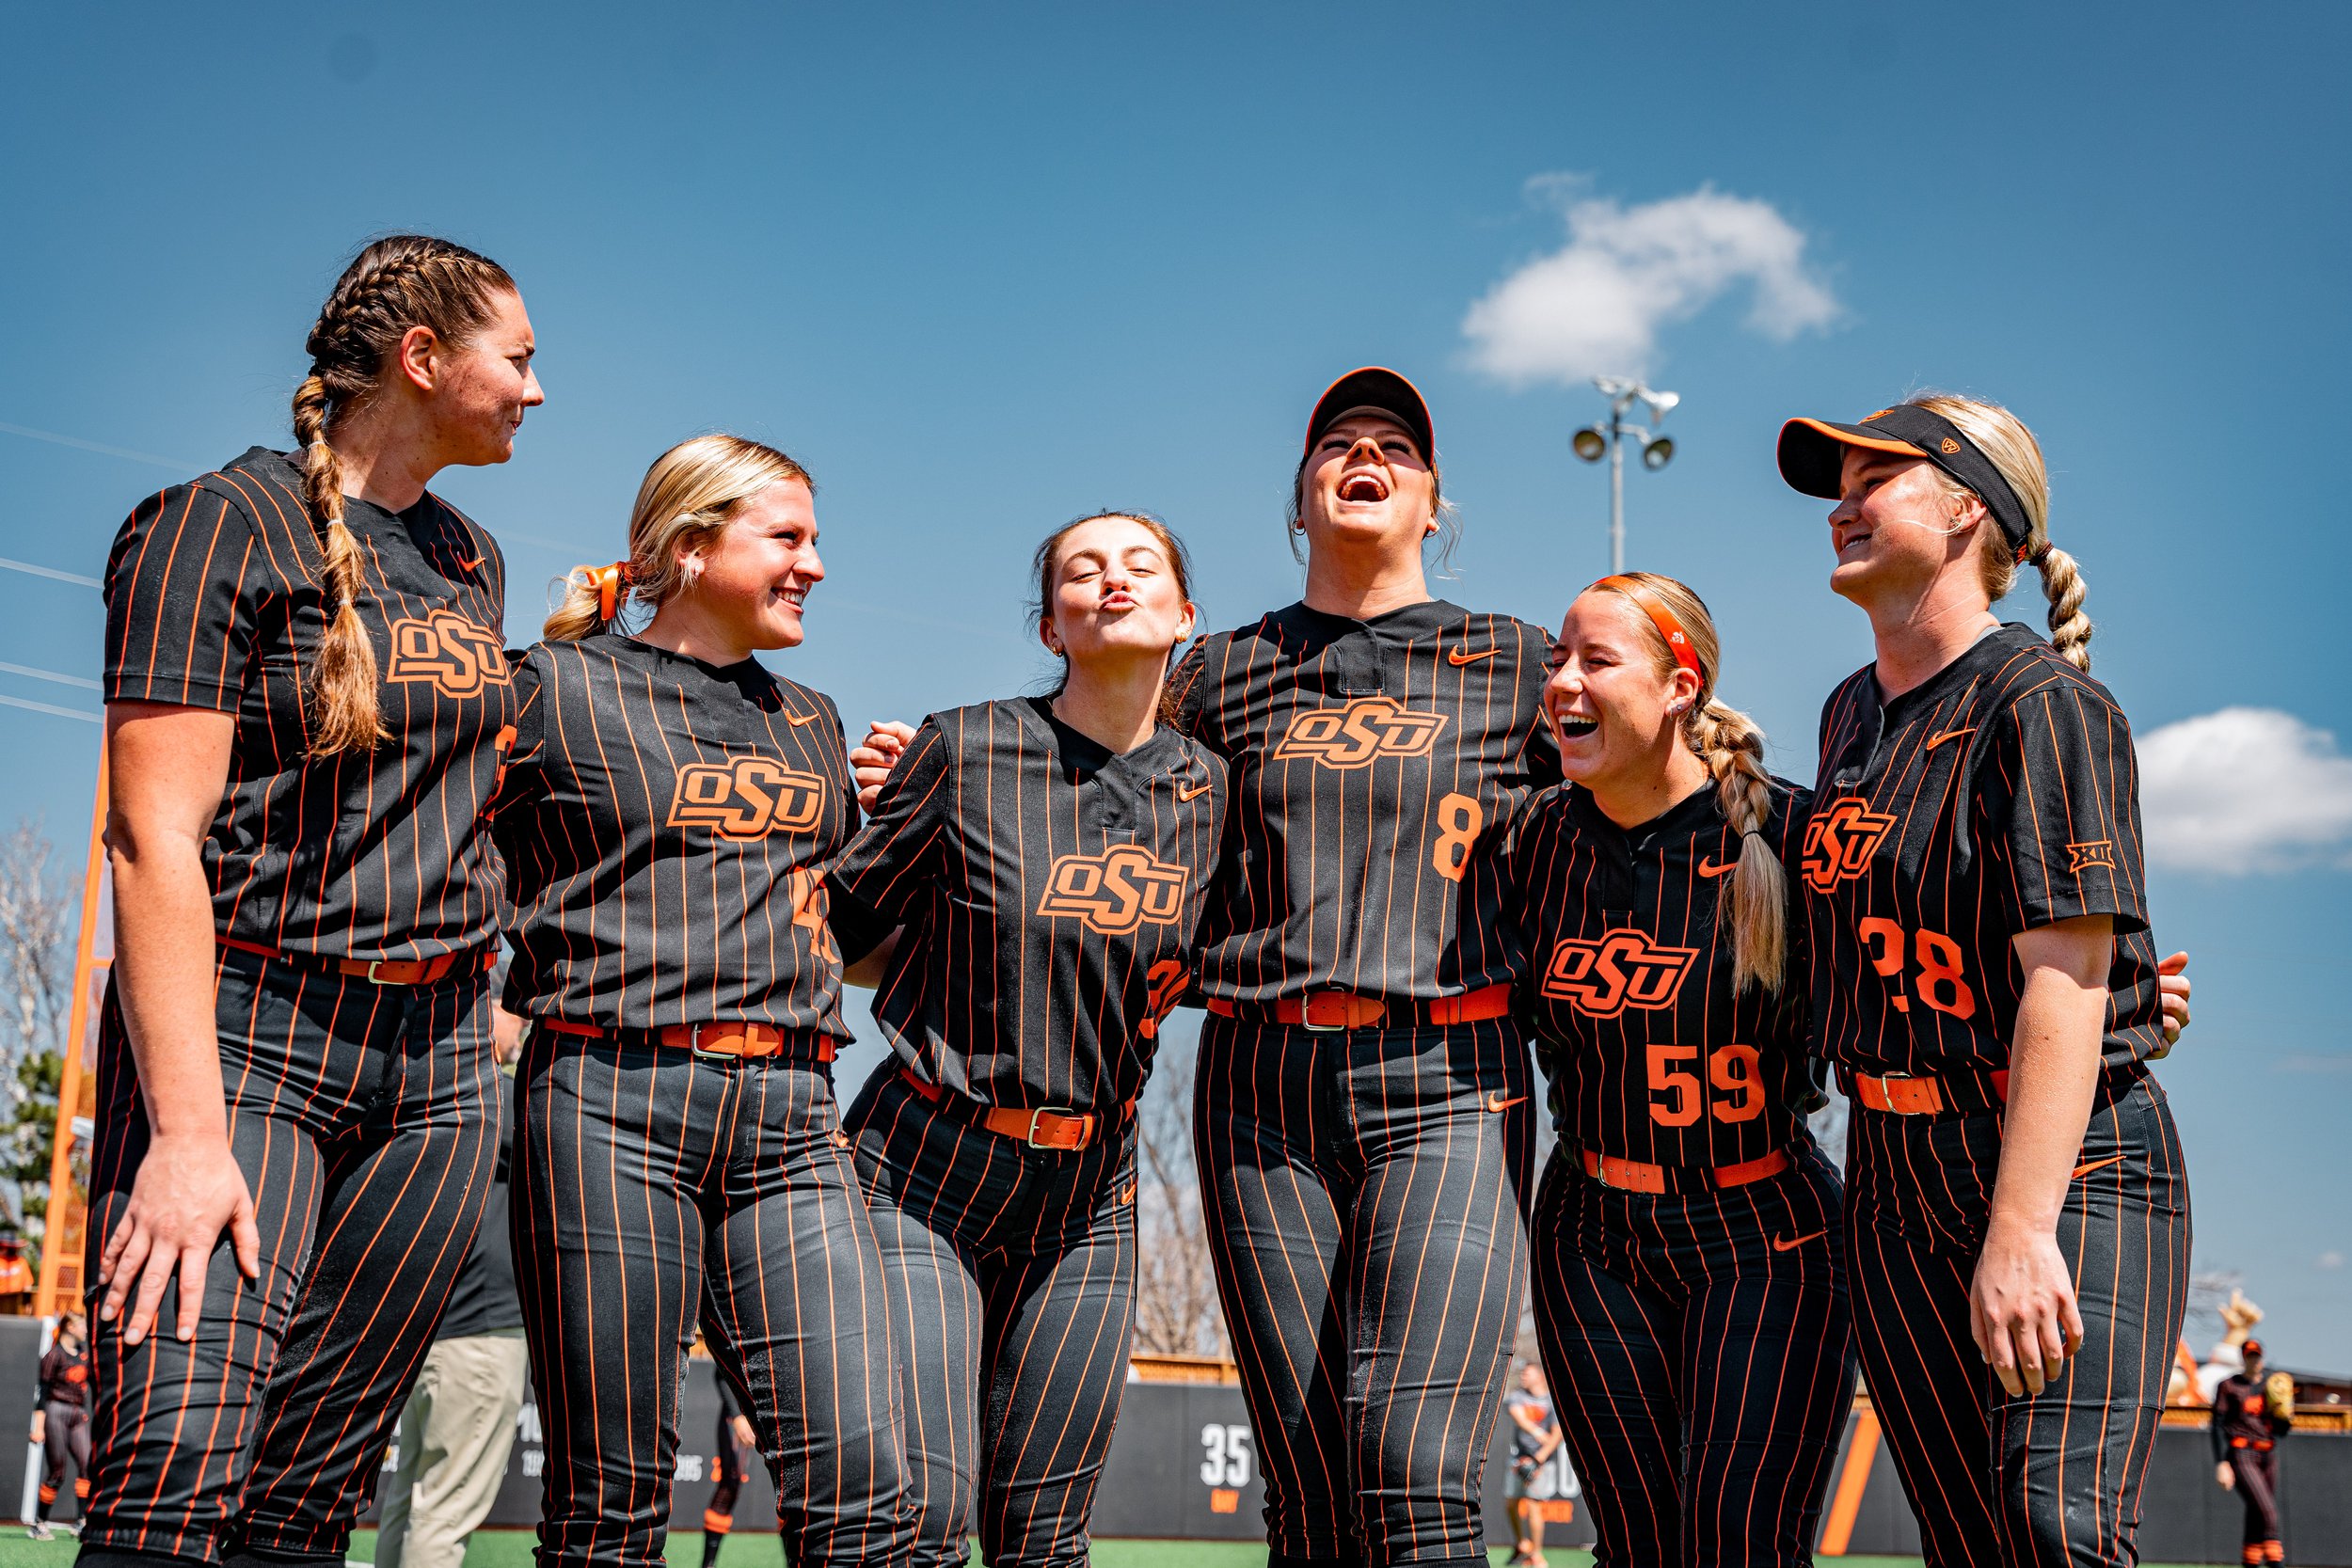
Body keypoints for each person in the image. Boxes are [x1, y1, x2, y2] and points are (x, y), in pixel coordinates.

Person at [91, 234, 535, 1567]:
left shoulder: (471, 557)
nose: (534, 389)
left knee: (310, 1496)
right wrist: (184, 1131)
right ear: (422, 358)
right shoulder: (216, 523)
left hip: (442, 1073)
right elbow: (146, 832)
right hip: (252, 1038)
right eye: (518, 358)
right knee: (177, 1464)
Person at [1776, 394, 2192, 1566]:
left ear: (1969, 509)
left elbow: (2061, 987)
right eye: (1836, 486)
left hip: (2059, 1172)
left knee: (2049, 1530)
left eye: (1876, 479)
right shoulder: (1848, 712)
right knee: (1968, 1546)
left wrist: (2019, 1227)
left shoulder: (2045, 701)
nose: (1841, 506)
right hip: (1891, 1172)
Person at [490, 435, 908, 1568]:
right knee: (611, 1504)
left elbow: (853, 941)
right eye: (788, 536)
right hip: (606, 1100)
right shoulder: (551, 687)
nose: (814, 563)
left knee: (869, 1481)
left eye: (813, 539)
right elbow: (428, 853)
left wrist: (915, 817)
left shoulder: (813, 719)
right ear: (688, 545)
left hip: (791, 1118)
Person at [1172, 368, 1558, 1567]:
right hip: (1258, 1079)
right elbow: (1105, 817)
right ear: (1298, 501)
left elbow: (1651, 825)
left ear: (1434, 502)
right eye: (1337, 442)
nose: (1366, 454)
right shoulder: (1214, 670)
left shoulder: (1521, 659)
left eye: (1397, 446)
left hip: (1451, 1069)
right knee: (1305, 1470)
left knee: (1412, 1460)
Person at [833, 512, 1223, 1567]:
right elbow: (840, 933)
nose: (1111, 579)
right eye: (1080, 571)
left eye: (1140, 565)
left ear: (1185, 615)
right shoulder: (962, 747)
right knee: (921, 1517)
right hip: (922, 1164)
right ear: (1050, 626)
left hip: (1093, 1191)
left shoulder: (1213, 794)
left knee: (1044, 1535)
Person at [1507, 573, 1854, 1567]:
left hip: (1765, 1230)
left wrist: (2128, 999)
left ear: (1679, 687)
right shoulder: (1530, 842)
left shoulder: (1783, 832)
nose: (1564, 681)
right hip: (1590, 1229)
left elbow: (1915, 958)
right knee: (1635, 1546)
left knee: (1737, 1541)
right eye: (1556, 659)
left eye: (1597, 660)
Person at [373, 1002, 532, 1568]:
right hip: (480, 1340)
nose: (524, 1026)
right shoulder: (498, 1091)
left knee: (411, 1504)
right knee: (441, 1516)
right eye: (516, 1013)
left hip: (423, 1333)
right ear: (487, 1014)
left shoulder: (419, 1079)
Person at [2213, 1337, 2293, 1567]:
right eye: (2250, 1356)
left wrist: (2285, 1415)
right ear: (2243, 1358)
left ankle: (2250, 1564)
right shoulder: (2229, 1385)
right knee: (2268, 1511)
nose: (2254, 1360)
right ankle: (2276, 1562)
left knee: (2257, 1513)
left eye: (2257, 1356)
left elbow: (2281, 1430)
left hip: (2267, 1454)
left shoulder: (2270, 1386)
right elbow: (2218, 1424)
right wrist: (2221, 1462)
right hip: (2242, 1453)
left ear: (2262, 1357)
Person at [29, 1311, 92, 1541]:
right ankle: (40, 1522)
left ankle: (82, 1521)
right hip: (56, 1411)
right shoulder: (54, 1356)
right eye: (81, 1325)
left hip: (78, 1413)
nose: (85, 1329)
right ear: (69, 1328)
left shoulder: (84, 1355)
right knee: (58, 1471)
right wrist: (38, 1427)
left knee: (87, 1465)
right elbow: (42, 1393)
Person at [1502, 1363, 1563, 1568]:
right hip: (1518, 1458)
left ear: (1539, 1376)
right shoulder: (1518, 1395)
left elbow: (1557, 1434)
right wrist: (1539, 1434)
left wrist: (1538, 1460)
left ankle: (1536, 1555)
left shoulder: (1552, 1400)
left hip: (1542, 1461)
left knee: (1534, 1504)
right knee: (1511, 1502)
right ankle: (1522, 1543)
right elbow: (1518, 1417)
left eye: (1528, 1374)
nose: (1523, 1377)